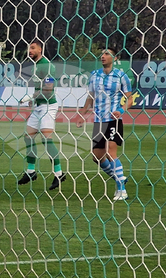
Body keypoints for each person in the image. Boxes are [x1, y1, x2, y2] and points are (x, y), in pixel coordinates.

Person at [75, 48, 134, 201]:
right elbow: (90, 97)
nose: (103, 56)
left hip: (113, 119)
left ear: (115, 58)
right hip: (98, 121)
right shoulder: (95, 75)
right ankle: (119, 178)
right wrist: (82, 114)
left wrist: (121, 110)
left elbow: (130, 99)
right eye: (102, 54)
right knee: (96, 157)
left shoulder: (121, 76)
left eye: (107, 54)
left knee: (110, 152)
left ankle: (122, 190)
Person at [17, 39, 65, 190]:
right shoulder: (36, 65)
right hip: (39, 106)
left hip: (48, 107)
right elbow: (40, 87)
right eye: (28, 48)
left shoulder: (47, 65)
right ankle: (31, 171)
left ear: (40, 49)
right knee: (28, 137)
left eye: (33, 48)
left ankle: (59, 173)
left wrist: (31, 97)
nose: (29, 51)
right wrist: (34, 99)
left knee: (46, 139)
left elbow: (49, 88)